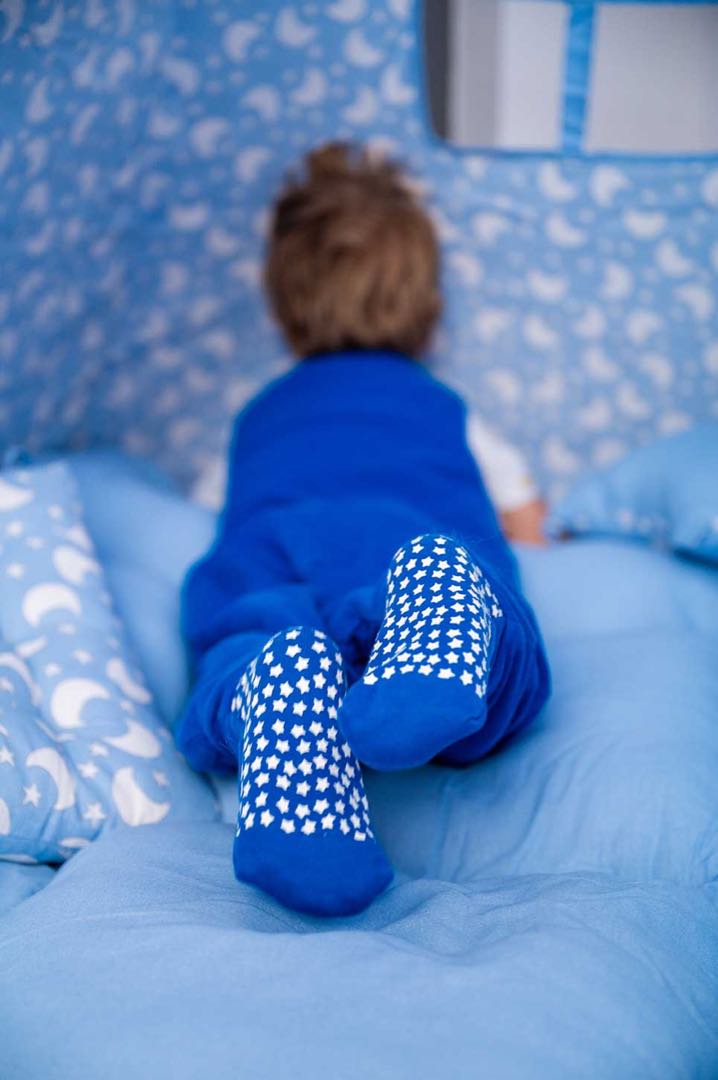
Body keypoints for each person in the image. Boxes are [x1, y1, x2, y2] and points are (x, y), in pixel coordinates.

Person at [176, 143, 551, 918]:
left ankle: (269, 687)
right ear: (429, 310)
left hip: (274, 552)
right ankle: (446, 606)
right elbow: (529, 523)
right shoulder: (444, 408)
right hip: (405, 541)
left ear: (283, 310)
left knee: (244, 638)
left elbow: (209, 508)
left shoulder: (256, 418)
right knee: (497, 644)